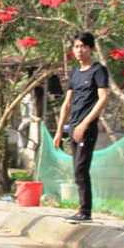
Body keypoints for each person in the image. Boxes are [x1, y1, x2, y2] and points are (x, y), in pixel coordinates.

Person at [53, 32, 110, 222]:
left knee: (80, 169)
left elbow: (103, 98)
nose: (79, 50)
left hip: (87, 128)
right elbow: (67, 103)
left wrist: (85, 124)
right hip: (73, 127)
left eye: (83, 46)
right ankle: (82, 209)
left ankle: (85, 212)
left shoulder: (98, 70)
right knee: (77, 169)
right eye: (76, 46)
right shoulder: (75, 73)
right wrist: (59, 131)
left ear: (91, 48)